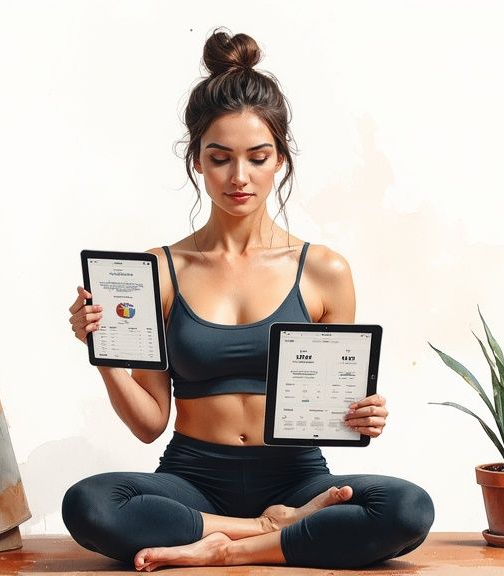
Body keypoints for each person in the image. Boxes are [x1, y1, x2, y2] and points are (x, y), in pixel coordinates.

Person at [63, 29, 434, 571]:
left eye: (257, 157)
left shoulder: (324, 271)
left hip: (299, 477)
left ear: (279, 159)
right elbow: (149, 424)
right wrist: (103, 353)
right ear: (196, 161)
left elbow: (330, 407)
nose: (239, 177)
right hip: (192, 479)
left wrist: (362, 414)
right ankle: (264, 534)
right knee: (90, 503)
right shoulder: (158, 270)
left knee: (407, 508)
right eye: (220, 159)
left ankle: (222, 550)